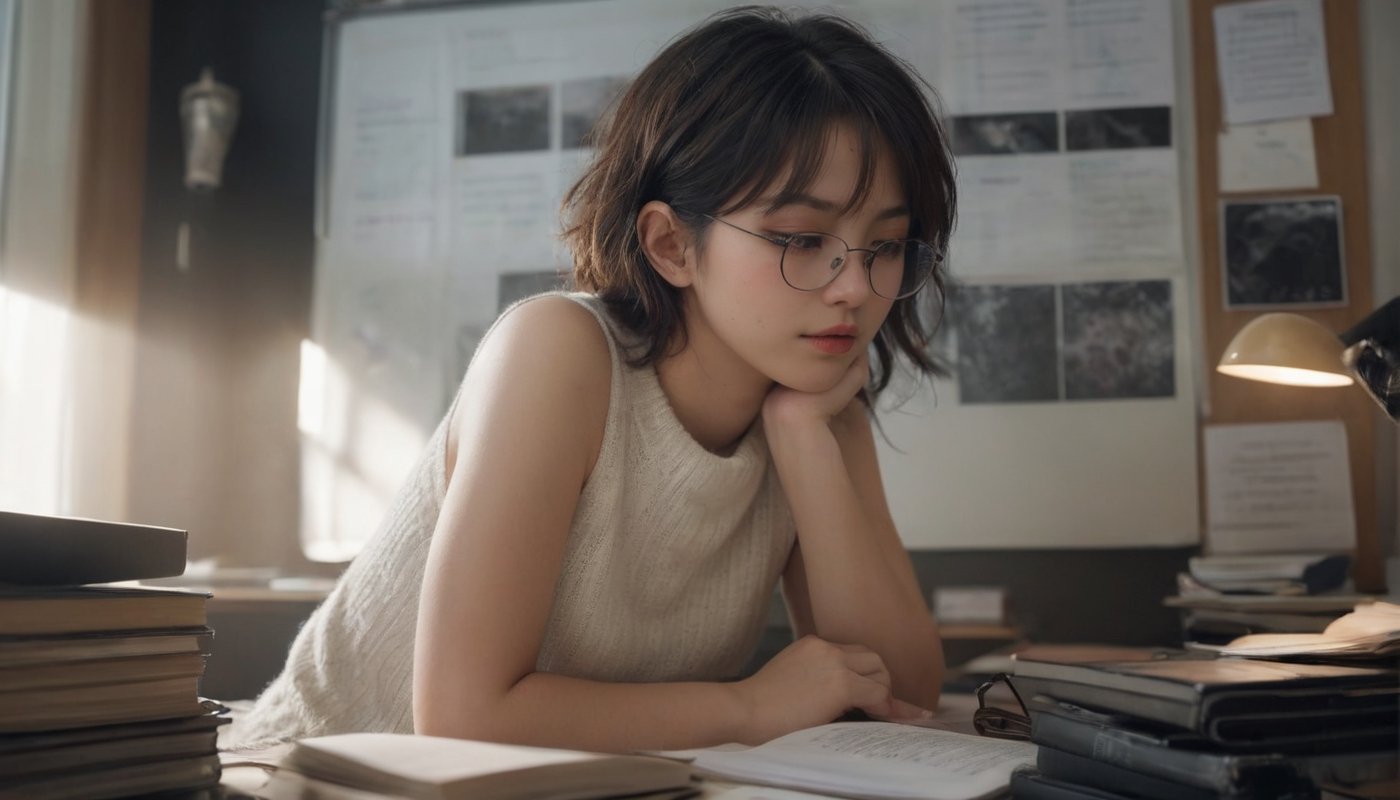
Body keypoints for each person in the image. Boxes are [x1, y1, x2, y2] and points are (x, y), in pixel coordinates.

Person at [229, 5, 956, 753]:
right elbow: (464, 716)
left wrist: (806, 439)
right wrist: (748, 708)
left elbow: (898, 696)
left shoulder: (817, 400)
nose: (855, 288)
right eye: (804, 239)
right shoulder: (559, 353)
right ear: (672, 244)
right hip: (295, 775)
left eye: (887, 244)